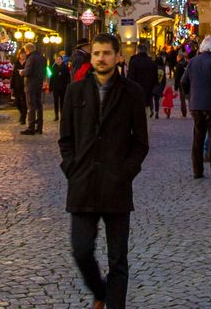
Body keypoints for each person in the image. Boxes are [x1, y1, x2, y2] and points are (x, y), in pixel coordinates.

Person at [59, 32, 149, 309]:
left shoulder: (132, 92)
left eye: (107, 53)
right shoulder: (75, 91)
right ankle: (100, 292)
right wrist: (72, 168)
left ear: (117, 56)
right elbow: (66, 139)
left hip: (116, 184)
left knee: (118, 260)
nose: (101, 58)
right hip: (83, 183)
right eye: (97, 53)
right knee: (82, 250)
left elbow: (140, 142)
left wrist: (126, 172)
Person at [182, 35, 211, 179]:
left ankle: (197, 170)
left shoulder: (193, 62)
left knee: (198, 138)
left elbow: (183, 82)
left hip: (196, 105)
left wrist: (191, 96)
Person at [21, 42, 47, 136]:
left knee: (31, 105)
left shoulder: (31, 58)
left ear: (28, 50)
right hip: (39, 83)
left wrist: (22, 72)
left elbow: (28, 71)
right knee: (39, 105)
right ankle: (39, 127)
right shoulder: (42, 57)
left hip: (31, 84)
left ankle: (31, 127)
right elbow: (44, 70)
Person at [127, 42, 158, 117]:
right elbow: (155, 79)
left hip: (135, 94)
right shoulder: (152, 63)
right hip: (148, 94)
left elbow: (130, 78)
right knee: (146, 116)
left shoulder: (134, 61)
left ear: (138, 50)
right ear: (146, 51)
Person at [50, 54, 71, 122]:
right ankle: (56, 115)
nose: (58, 61)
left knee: (62, 102)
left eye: (59, 59)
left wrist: (68, 86)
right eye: (57, 60)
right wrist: (51, 87)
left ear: (62, 60)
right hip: (55, 87)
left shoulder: (65, 67)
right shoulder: (53, 67)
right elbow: (51, 78)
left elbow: (68, 77)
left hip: (63, 87)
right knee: (56, 101)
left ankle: (62, 115)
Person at [12, 47, 28, 125]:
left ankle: (23, 117)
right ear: (19, 55)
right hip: (17, 85)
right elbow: (13, 75)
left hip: (25, 84)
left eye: (24, 54)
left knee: (24, 102)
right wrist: (12, 86)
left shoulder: (28, 62)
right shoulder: (16, 63)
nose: (23, 56)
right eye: (21, 54)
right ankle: (22, 113)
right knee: (17, 102)